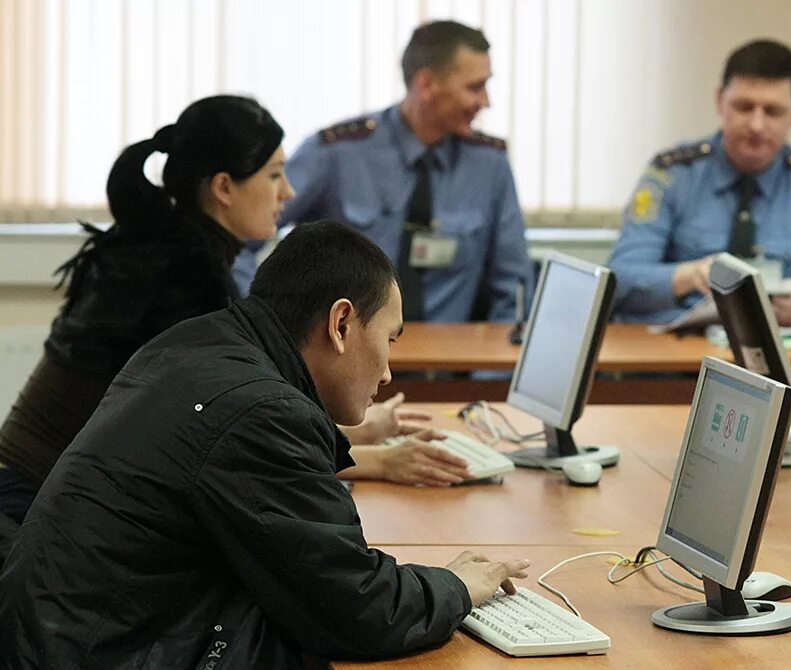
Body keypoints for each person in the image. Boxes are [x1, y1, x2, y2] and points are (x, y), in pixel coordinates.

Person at [0, 221, 529, 668]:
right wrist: (459, 586)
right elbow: (362, 609)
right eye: (389, 339)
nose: (388, 371)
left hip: (66, 637)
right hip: (104, 652)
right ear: (341, 323)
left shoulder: (198, 343)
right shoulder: (264, 413)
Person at [0, 96, 469, 537]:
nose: (288, 192)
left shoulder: (163, 248)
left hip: (34, 485)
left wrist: (353, 434)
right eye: (274, 175)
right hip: (35, 502)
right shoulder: (185, 281)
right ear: (224, 188)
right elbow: (231, 448)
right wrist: (379, 460)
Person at [234, 20, 534, 322]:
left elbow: (513, 286)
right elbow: (238, 240)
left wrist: (494, 368)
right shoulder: (336, 153)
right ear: (426, 84)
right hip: (342, 361)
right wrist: (262, 328)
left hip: (451, 363)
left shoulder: (489, 165)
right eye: (475, 87)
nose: (485, 101)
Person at [608, 39, 791, 327]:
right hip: (672, 357)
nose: (756, 125)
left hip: (774, 359)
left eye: (772, 111)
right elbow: (620, 279)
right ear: (719, 101)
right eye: (743, 107)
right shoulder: (671, 174)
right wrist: (689, 276)